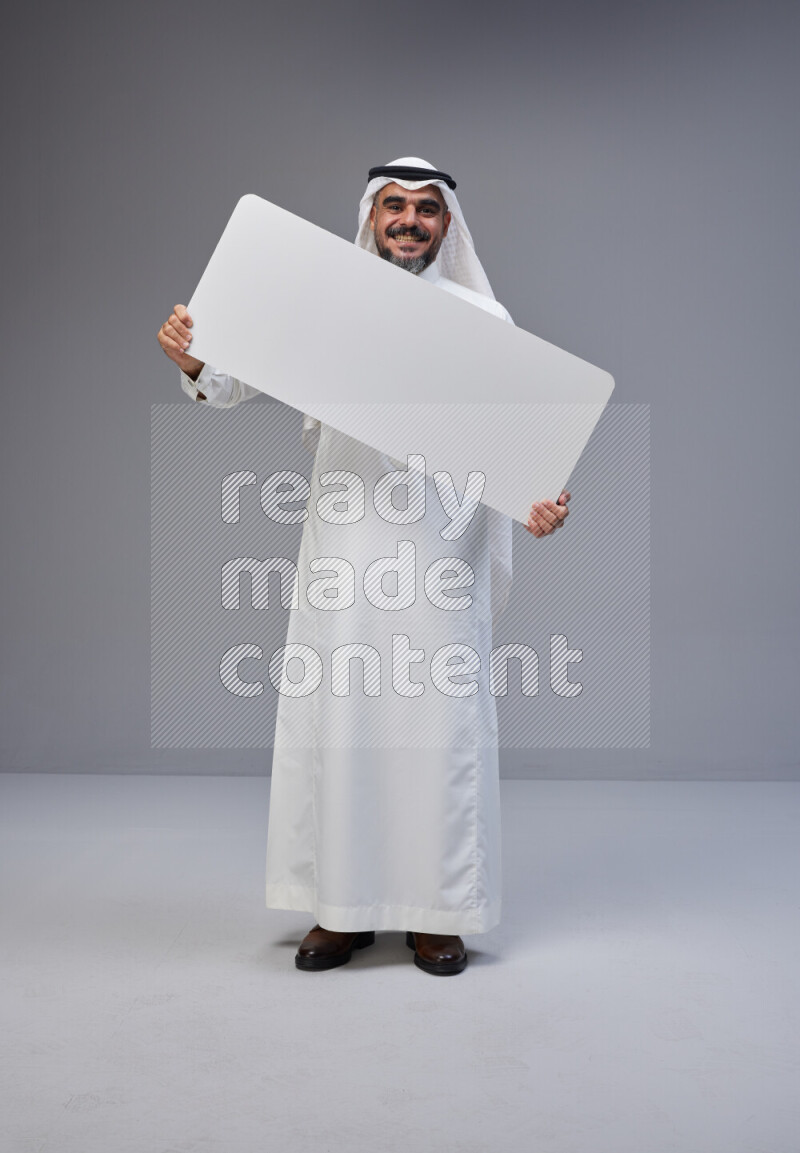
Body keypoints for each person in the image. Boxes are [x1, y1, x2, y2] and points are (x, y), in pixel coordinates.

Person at [157, 157, 570, 975]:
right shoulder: (327, 300)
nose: (410, 220)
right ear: (372, 216)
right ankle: (340, 910)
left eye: (426, 208)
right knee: (341, 724)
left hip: (440, 551)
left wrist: (542, 497)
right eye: (395, 205)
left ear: (447, 225)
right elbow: (237, 379)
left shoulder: (483, 317)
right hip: (347, 546)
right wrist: (194, 360)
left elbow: (522, 439)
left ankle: (437, 913)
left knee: (437, 730)